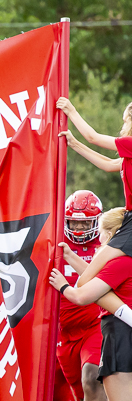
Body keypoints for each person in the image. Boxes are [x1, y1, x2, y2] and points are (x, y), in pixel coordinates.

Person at [49, 209, 132, 401]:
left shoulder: (121, 260)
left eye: (106, 236)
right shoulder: (122, 261)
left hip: (118, 334)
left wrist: (62, 285)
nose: (102, 243)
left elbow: (84, 294)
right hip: (116, 331)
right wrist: (71, 258)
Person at [52, 190, 116, 401]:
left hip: (94, 323)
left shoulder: (107, 245)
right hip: (63, 331)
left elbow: (101, 278)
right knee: (83, 395)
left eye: (84, 223)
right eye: (73, 223)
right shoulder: (54, 243)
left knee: (92, 379)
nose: (78, 229)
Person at [56, 98, 132, 287]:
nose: (123, 126)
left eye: (125, 121)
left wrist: (70, 110)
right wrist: (74, 145)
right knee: (91, 278)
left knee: (87, 281)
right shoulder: (128, 153)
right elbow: (107, 164)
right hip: (129, 220)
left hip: (130, 224)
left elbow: (93, 137)